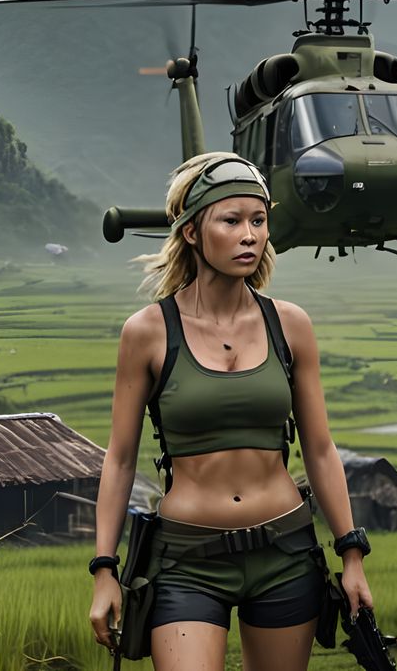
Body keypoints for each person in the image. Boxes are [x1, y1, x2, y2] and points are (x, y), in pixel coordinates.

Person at [88, 152, 373, 670]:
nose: (250, 235)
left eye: (259, 221)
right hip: (186, 562)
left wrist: (351, 554)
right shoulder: (148, 332)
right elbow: (121, 458)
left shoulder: (290, 325)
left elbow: (320, 448)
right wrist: (104, 568)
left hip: (285, 553)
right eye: (232, 220)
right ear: (193, 232)